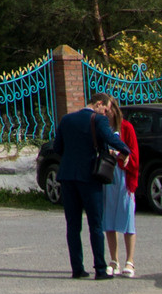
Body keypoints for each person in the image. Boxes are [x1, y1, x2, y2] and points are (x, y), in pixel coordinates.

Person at [53, 92, 127, 279]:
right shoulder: (98, 120)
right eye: (106, 109)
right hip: (89, 177)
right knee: (95, 223)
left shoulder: (67, 119)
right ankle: (100, 269)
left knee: (73, 225)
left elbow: (57, 148)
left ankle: (77, 268)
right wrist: (127, 150)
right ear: (99, 104)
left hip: (68, 177)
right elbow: (111, 139)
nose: (106, 113)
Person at [102, 99, 141, 277]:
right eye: (103, 111)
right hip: (107, 177)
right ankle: (114, 260)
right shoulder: (102, 129)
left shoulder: (126, 128)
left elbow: (133, 154)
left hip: (125, 177)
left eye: (108, 110)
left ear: (115, 110)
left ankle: (130, 261)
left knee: (127, 219)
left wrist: (119, 154)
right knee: (108, 220)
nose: (106, 114)